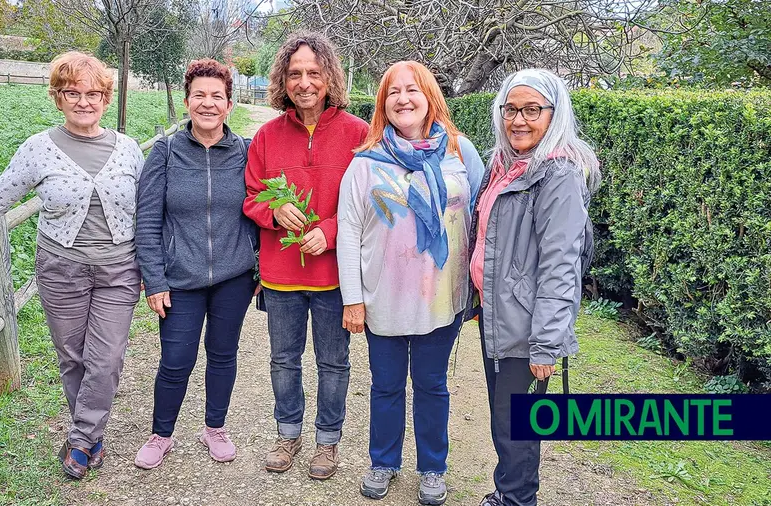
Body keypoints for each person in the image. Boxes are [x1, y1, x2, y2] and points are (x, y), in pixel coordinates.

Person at [0, 52, 145, 479]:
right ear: (57, 97)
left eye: (93, 93)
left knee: (106, 359)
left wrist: (157, 267)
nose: (84, 102)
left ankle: (79, 440)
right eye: (72, 92)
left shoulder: (128, 149)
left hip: (119, 270)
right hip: (61, 269)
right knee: (73, 357)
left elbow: (149, 210)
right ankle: (90, 435)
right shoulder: (38, 148)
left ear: (107, 98)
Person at [337, 61, 485, 505]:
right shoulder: (366, 163)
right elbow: (347, 231)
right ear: (383, 104)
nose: (403, 98)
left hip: (442, 298)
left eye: (412, 89)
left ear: (429, 97)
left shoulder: (460, 152)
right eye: (393, 92)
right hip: (384, 297)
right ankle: (383, 460)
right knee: (385, 385)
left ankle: (433, 468)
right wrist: (353, 300)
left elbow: (479, 218)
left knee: (432, 384)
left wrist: (476, 286)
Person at [242, 31, 369, 480]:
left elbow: (371, 203)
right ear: (283, 80)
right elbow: (251, 196)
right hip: (281, 277)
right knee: (283, 359)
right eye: (295, 73)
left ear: (329, 76)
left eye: (313, 72)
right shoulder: (267, 136)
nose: (304, 82)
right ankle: (288, 433)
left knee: (334, 362)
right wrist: (274, 210)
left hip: (336, 277)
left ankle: (328, 443)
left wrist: (330, 231)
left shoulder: (359, 134)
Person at [470, 69, 600, 506]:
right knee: (506, 422)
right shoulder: (505, 166)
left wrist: (546, 344)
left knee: (515, 427)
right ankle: (509, 494)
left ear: (554, 113)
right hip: (500, 316)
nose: (519, 120)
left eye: (532, 110)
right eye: (511, 109)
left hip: (527, 330)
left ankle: (516, 500)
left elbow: (561, 266)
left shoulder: (558, 175)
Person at [133, 59, 257, 470]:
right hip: (179, 279)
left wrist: (256, 265)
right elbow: (147, 220)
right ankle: (161, 434)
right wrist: (154, 280)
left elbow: (259, 210)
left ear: (229, 105)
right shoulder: (166, 152)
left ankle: (215, 428)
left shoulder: (246, 151)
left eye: (216, 97)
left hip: (233, 278)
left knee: (223, 354)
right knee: (175, 359)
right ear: (187, 102)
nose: (208, 104)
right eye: (199, 96)